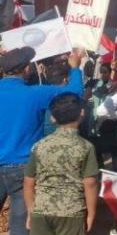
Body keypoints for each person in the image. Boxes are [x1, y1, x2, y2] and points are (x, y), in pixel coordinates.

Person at [0, 47, 83, 235]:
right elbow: (74, 95)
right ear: (26, 68)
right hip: (23, 167)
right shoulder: (36, 93)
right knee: (20, 225)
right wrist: (75, 68)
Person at [23, 93, 99, 235]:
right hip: (72, 211)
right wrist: (91, 214)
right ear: (82, 113)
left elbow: (28, 181)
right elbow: (90, 183)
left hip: (41, 210)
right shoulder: (86, 147)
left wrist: (30, 210)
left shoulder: (39, 145)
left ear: (52, 118)